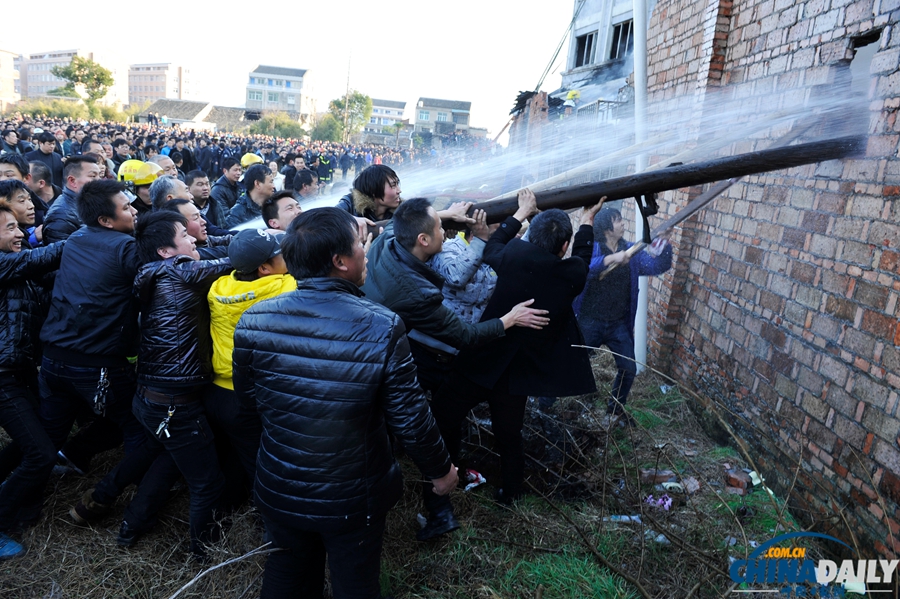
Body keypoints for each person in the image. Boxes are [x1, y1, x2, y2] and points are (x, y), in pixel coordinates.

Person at [232, 207, 457, 599]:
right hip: (352, 496)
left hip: (280, 484)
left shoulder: (253, 321)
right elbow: (410, 418)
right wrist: (440, 471)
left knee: (286, 571)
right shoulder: (381, 325)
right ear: (339, 261)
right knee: (355, 581)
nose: (365, 249)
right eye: (358, 242)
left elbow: (249, 404)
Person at [423, 195, 603, 535]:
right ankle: (511, 493)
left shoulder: (514, 255)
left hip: (481, 358)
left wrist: (520, 213)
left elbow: (494, 246)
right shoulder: (572, 274)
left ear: (532, 235)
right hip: (516, 373)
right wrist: (587, 220)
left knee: (444, 416)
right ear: (563, 246)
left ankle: (442, 477)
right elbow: (582, 256)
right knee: (509, 436)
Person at [38, 180, 161, 529]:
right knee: (137, 425)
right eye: (126, 207)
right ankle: (138, 502)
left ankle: (19, 499)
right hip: (96, 365)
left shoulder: (76, 238)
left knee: (45, 438)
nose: (134, 211)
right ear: (106, 220)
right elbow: (160, 279)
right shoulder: (126, 247)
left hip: (53, 360)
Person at [127, 210, 232, 556]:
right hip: (175, 403)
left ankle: (131, 525)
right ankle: (203, 554)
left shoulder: (152, 272)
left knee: (169, 459)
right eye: (184, 236)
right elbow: (240, 260)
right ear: (165, 251)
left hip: (149, 395)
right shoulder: (181, 270)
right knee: (207, 482)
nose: (192, 239)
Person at [206, 229, 292, 504]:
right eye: (281, 255)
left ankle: (229, 507)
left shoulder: (218, 288)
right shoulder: (285, 289)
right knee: (262, 463)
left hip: (218, 392)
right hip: (251, 395)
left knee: (238, 455)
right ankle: (267, 515)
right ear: (264, 268)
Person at [0, 205, 65, 559]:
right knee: (41, 454)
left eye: (17, 227)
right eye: (10, 228)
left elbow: (45, 281)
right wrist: (85, 239)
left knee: (37, 438)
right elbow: (40, 258)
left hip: (20, 369)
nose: (19, 233)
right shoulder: (9, 263)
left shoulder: (17, 264)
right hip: (2, 377)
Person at [571, 208, 673, 420]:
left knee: (628, 368)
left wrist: (664, 243)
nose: (623, 224)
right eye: (618, 220)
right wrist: (611, 259)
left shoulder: (631, 251)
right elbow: (582, 269)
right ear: (607, 228)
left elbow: (656, 265)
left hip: (617, 324)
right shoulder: (593, 248)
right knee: (572, 363)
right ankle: (551, 406)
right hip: (590, 321)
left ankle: (615, 410)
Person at [42, 156, 102, 243]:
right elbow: (63, 250)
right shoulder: (60, 216)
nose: (99, 181)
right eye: (93, 176)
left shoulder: (91, 202)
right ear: (72, 181)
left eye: (100, 176)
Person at [225, 163, 274, 227]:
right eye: (271, 182)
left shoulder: (275, 206)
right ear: (257, 184)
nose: (274, 186)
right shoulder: (237, 214)